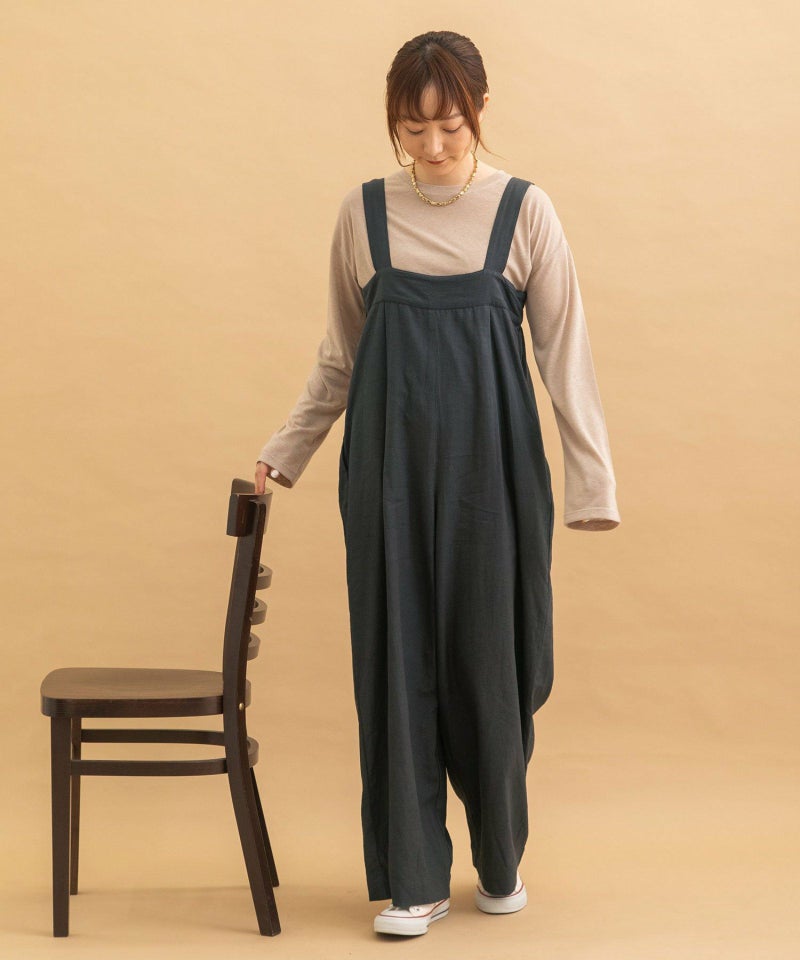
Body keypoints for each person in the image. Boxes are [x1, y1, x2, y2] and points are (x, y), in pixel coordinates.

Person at [255, 30, 620, 937]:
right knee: (397, 664)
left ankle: (500, 859)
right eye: (412, 129)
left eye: (449, 126)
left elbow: (564, 355)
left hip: (495, 479)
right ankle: (414, 879)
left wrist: (592, 485)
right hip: (385, 479)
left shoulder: (526, 212)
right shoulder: (363, 214)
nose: (432, 146)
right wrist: (284, 452)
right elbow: (340, 359)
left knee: (494, 666)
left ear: (479, 112)